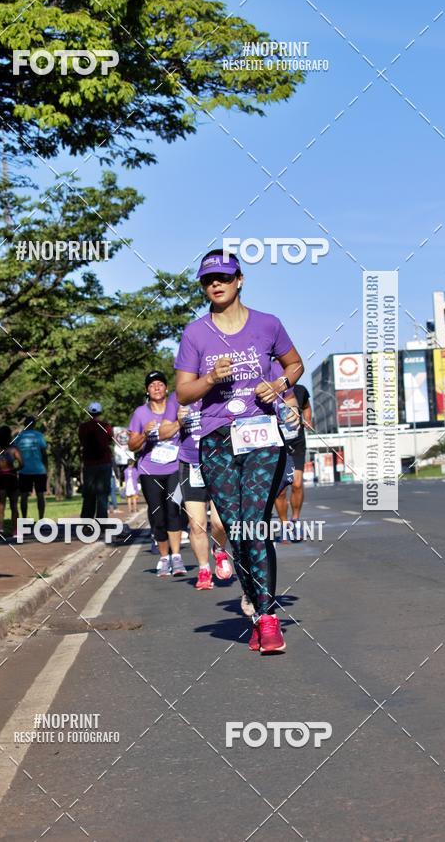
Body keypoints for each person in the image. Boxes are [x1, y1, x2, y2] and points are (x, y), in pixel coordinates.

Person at [174, 249, 303, 654]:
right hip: (216, 441)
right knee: (235, 528)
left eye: (224, 278)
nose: (216, 285)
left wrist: (279, 386)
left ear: (239, 280)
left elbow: (294, 364)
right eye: (208, 280)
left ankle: (267, 620)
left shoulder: (268, 324)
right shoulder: (195, 334)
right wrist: (210, 377)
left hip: (262, 435)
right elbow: (183, 391)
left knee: (254, 523)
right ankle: (256, 606)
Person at [160, 399, 232, 590]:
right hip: (190, 464)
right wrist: (178, 423)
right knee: (196, 524)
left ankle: (219, 548)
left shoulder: (221, 388)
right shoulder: (180, 396)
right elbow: (162, 433)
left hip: (220, 460)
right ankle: (204, 569)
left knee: (219, 522)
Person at [128, 371, 185, 577]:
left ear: (166, 388)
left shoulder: (177, 409)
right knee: (157, 514)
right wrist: (144, 434)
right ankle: (163, 558)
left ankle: (176, 557)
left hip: (174, 469)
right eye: (152, 385)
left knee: (173, 509)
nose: (157, 388)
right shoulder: (140, 414)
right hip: (149, 471)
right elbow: (132, 445)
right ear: (147, 391)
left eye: (160, 384)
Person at [274, 383, 312, 542]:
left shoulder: (300, 390)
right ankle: (284, 524)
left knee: (296, 484)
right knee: (280, 490)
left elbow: (306, 406)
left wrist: (307, 420)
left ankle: (295, 520)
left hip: (296, 443)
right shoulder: (268, 389)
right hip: (276, 443)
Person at [0, 425, 23, 539]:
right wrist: (15, 469)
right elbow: (22, 463)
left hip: (0, 479)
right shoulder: (13, 449)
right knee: (14, 506)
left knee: (1, 505)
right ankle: (15, 531)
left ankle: (0, 530)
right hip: (11, 478)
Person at [78, 402, 113, 519]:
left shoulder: (83, 427)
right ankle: (102, 522)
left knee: (89, 495)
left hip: (89, 464)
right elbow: (109, 440)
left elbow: (81, 441)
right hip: (104, 462)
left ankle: (86, 522)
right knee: (103, 495)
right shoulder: (106, 426)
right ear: (100, 412)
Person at [17, 415, 48, 519]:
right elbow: (44, 453)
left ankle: (24, 519)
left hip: (24, 470)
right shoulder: (39, 436)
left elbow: (15, 453)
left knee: (24, 496)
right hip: (39, 470)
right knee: (40, 495)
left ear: (24, 424)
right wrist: (46, 467)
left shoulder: (19, 436)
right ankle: (41, 519)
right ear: (35, 424)